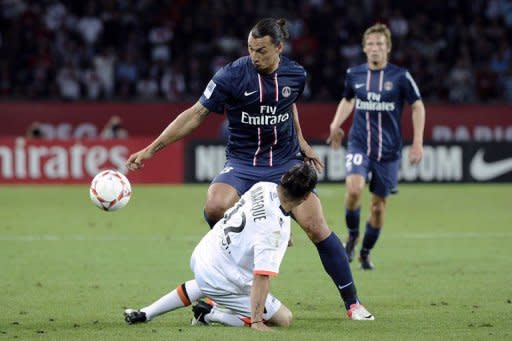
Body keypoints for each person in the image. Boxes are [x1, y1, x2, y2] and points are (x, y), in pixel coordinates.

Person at [126, 18, 373, 320]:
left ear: (279, 48)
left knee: (316, 226)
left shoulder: (296, 74)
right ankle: (231, 277)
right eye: (250, 49)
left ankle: (353, 303)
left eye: (261, 51)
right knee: (215, 206)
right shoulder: (230, 75)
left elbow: (289, 104)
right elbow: (194, 115)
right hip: (243, 162)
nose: (254, 56)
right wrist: (151, 150)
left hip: (284, 162)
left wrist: (302, 141)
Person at [124, 164, 317, 331]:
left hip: (205, 253)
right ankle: (210, 314)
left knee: (205, 281)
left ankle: (145, 313)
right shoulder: (274, 232)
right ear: (307, 196)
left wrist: (280, 236)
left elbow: (260, 218)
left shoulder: (263, 187)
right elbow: (261, 276)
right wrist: (257, 321)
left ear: (282, 178)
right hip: (221, 278)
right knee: (284, 318)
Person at [327, 23, 426, 270]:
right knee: (353, 189)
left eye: (379, 44)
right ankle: (352, 235)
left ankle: (365, 253)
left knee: (378, 208)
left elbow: (417, 106)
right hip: (360, 144)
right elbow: (348, 100)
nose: (374, 48)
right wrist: (335, 124)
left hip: (389, 152)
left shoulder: (400, 76)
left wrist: (417, 141)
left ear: (388, 48)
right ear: (363, 48)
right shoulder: (354, 74)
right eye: (370, 44)